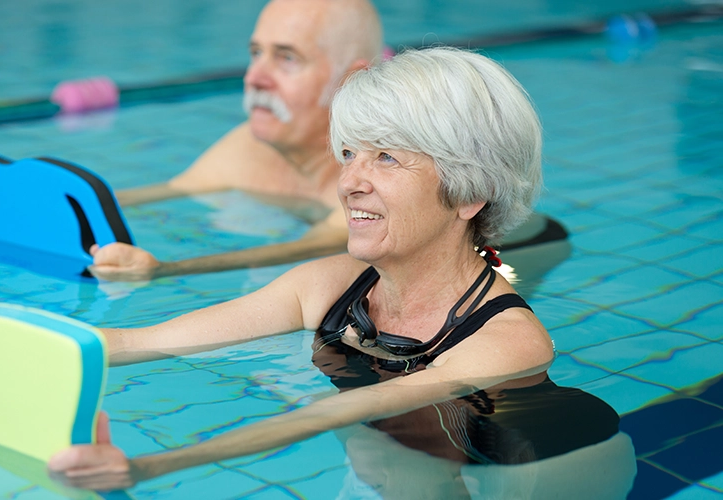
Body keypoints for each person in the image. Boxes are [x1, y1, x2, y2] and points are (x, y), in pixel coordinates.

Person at [48, 48, 619, 495]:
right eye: (349, 153)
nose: (349, 182)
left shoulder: (506, 341)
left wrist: (147, 468)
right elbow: (140, 340)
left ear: (471, 192)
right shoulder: (327, 285)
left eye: (387, 157)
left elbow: (335, 412)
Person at [90, 0, 383, 281]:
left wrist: (164, 269)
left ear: (350, 80)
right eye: (256, 53)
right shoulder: (252, 147)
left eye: (287, 58)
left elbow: (310, 248)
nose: (254, 77)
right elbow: (174, 190)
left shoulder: (376, 177)